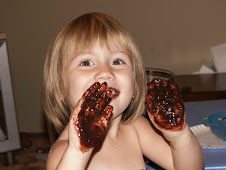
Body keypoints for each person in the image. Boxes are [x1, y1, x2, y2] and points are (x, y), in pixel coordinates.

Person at [43, 12, 203, 170]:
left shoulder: (136, 129)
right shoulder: (66, 151)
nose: (105, 72)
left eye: (117, 61)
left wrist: (178, 135)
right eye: (86, 63)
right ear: (61, 89)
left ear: (135, 85)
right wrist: (79, 152)